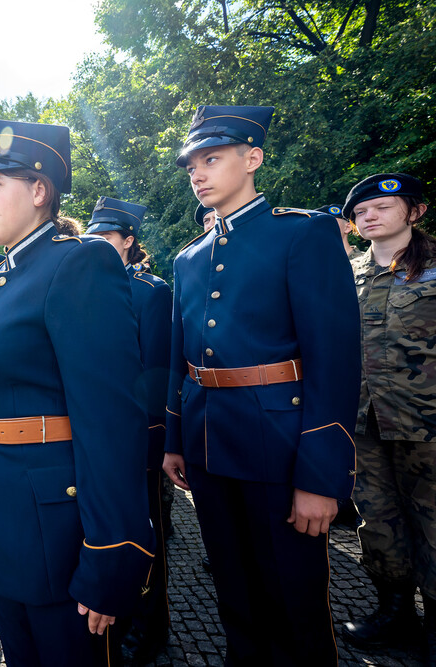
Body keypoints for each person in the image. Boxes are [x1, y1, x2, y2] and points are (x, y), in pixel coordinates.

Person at [162, 105, 361, 666]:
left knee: (294, 604)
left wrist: (322, 477)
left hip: (281, 447)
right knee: (236, 596)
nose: (197, 173)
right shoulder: (189, 258)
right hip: (209, 448)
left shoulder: (303, 233)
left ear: (253, 159)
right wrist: (176, 441)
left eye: (212, 158)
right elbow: (180, 361)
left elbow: (334, 359)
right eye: (191, 165)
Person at [0, 118, 154, 666]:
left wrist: (111, 552)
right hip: (0, 510)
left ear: (40, 191)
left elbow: (111, 420)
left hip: (56, 524)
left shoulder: (78, 263)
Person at [339, 173, 436, 663]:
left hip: (428, 424)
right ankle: (394, 612)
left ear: (414, 211)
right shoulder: (345, 274)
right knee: (377, 522)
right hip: (365, 424)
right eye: (361, 212)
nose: (370, 215)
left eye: (383, 205)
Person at [85, 195, 173, 662]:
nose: (94, 244)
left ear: (128, 242)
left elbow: (156, 374)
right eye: (91, 236)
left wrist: (151, 444)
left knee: (145, 534)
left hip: (137, 437)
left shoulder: (150, 291)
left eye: (105, 237)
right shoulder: (84, 287)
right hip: (94, 437)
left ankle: (150, 627)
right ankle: (114, 619)